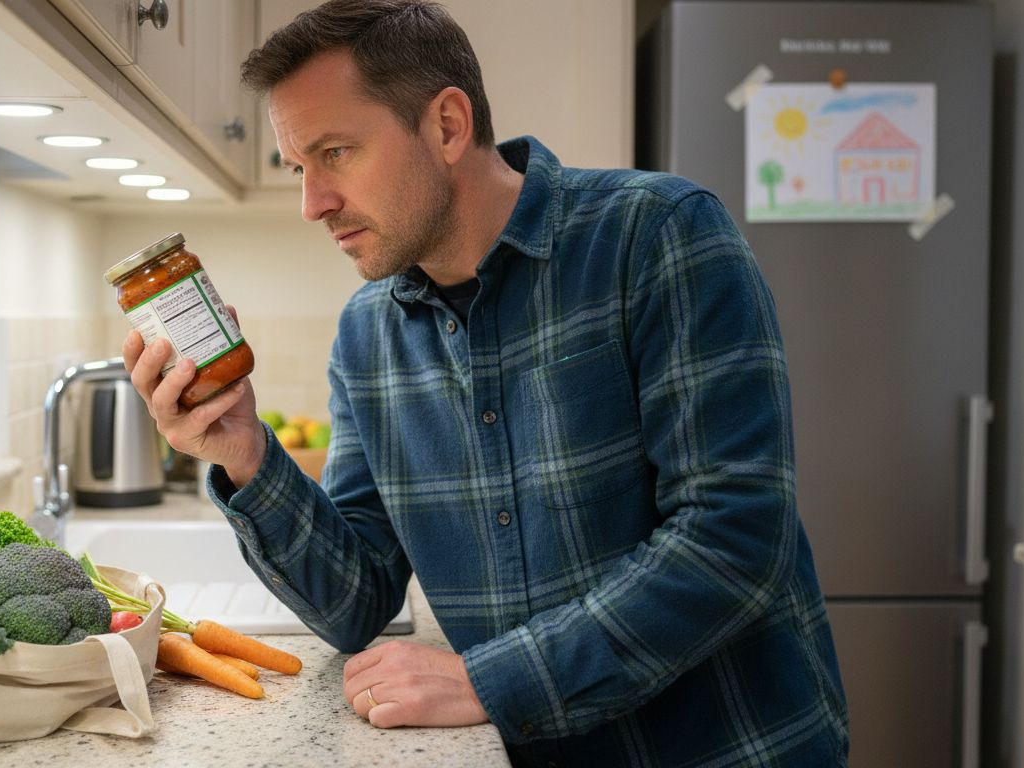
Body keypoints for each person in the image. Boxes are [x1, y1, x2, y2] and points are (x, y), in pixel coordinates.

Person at [123, 1, 849, 764]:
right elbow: (359, 600)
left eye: (336, 153)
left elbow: (732, 539)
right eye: (300, 168)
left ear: (446, 125)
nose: (313, 204)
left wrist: (489, 682)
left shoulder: (659, 235)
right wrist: (245, 455)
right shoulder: (367, 336)